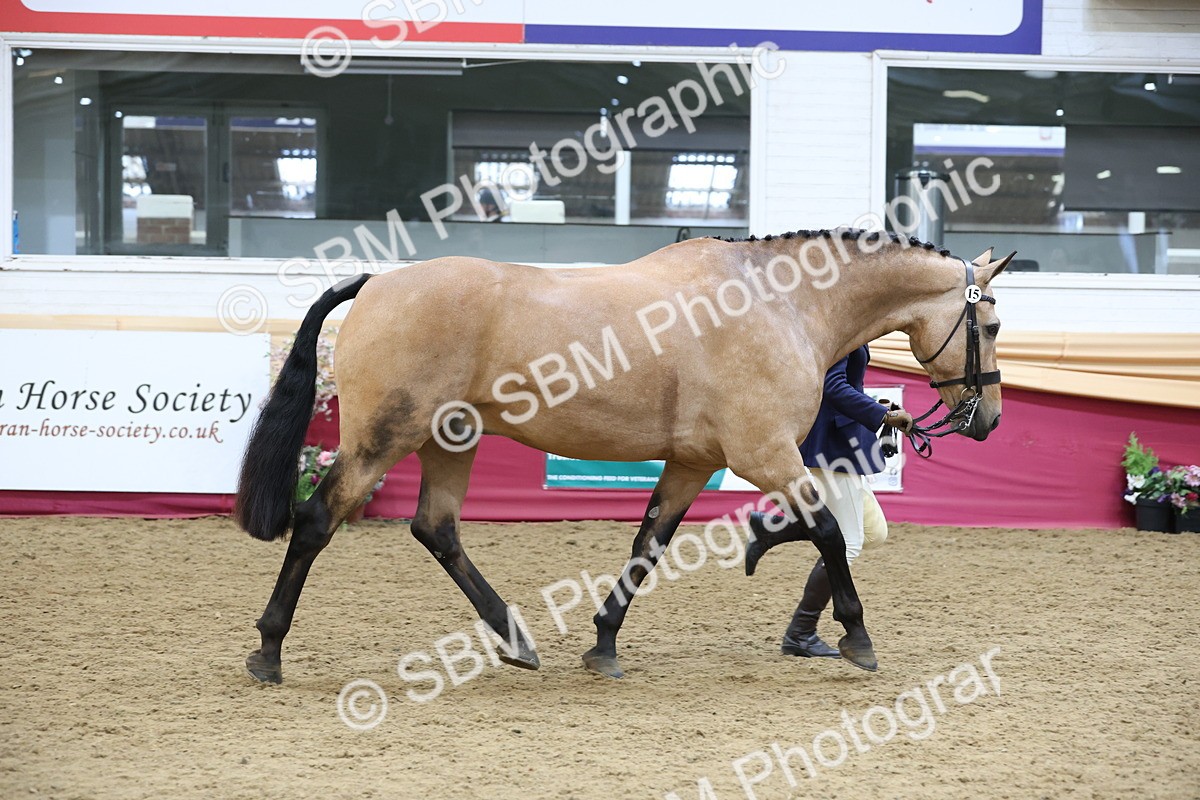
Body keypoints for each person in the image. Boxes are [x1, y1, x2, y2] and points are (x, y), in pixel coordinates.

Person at [778, 345, 912, 658]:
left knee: (874, 533)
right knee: (848, 543)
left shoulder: (855, 329)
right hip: (834, 445)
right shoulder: (844, 329)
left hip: (848, 442)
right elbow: (833, 386)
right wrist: (884, 415)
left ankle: (772, 529)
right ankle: (801, 632)